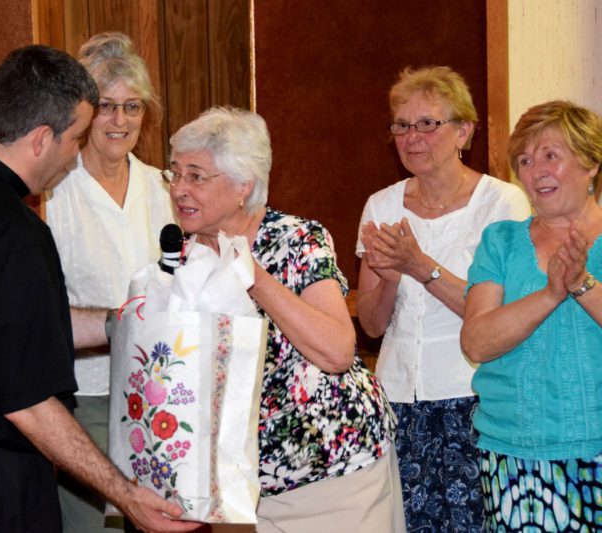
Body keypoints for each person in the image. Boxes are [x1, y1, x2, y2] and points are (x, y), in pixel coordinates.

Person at [0, 45, 197, 533]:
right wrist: (125, 495)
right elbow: (28, 404)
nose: (75, 155)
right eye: (75, 138)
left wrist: (119, 322)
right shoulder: (17, 233)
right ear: (40, 139)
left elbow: (4, 324)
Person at [167, 106, 403, 532]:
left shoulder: (297, 240)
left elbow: (337, 351)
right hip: (239, 484)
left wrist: (254, 277)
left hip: (330, 473)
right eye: (175, 173)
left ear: (243, 185)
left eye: (196, 176)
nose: (180, 189)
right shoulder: (180, 257)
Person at [355, 66, 531, 532]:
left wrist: (421, 266)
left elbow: (500, 318)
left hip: (476, 398)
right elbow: (371, 325)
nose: (412, 137)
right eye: (402, 125)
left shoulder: (503, 204)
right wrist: (391, 277)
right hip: (397, 400)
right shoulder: (381, 205)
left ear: (464, 132)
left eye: (428, 123)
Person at [45, 32, 175, 533]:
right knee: (91, 527)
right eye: (106, 106)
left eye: (132, 106)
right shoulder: (55, 193)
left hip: (161, 391)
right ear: (83, 112)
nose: (120, 121)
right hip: (87, 395)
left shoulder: (163, 188)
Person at [461, 100, 602, 531]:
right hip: (516, 458)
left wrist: (581, 283)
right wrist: (551, 293)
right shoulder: (501, 241)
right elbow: (476, 342)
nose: (535, 170)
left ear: (591, 163)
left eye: (550, 155)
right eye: (524, 160)